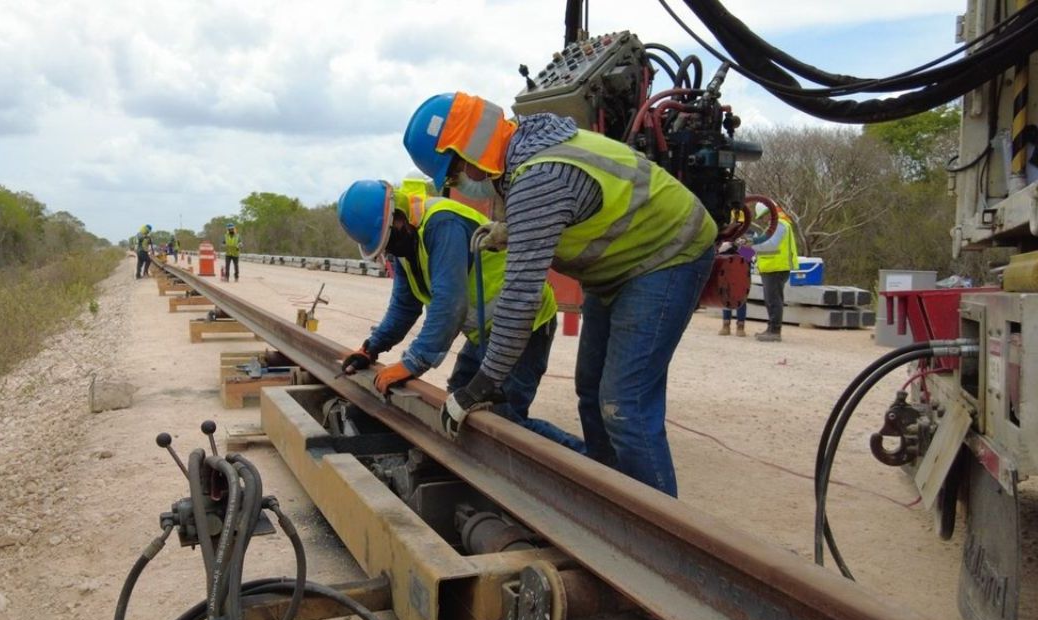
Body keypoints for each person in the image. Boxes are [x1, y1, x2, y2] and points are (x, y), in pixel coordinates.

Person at [402, 92, 716, 497]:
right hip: (621, 268)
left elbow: (520, 298)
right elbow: (567, 207)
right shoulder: (526, 153)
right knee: (591, 390)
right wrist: (511, 232)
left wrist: (482, 383)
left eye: (456, 168)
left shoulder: (538, 175)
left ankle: (666, 538)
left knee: (625, 405)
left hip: (668, 254)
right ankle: (610, 500)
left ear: (466, 148)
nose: (461, 178)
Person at [336, 179, 585, 453]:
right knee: (458, 401)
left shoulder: (443, 225)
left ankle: (590, 465)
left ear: (399, 218)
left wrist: (412, 363)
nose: (390, 251)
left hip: (523, 325)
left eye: (388, 241)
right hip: (484, 331)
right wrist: (372, 348)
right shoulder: (405, 243)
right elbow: (404, 307)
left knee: (503, 422)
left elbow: (449, 303)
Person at [750, 203, 798, 342]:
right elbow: (761, 245)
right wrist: (743, 249)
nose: (764, 219)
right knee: (771, 299)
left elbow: (770, 245)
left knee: (774, 300)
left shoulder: (780, 225)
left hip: (777, 268)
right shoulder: (776, 226)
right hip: (771, 268)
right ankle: (771, 329)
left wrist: (748, 244)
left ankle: (775, 331)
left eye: (765, 216)